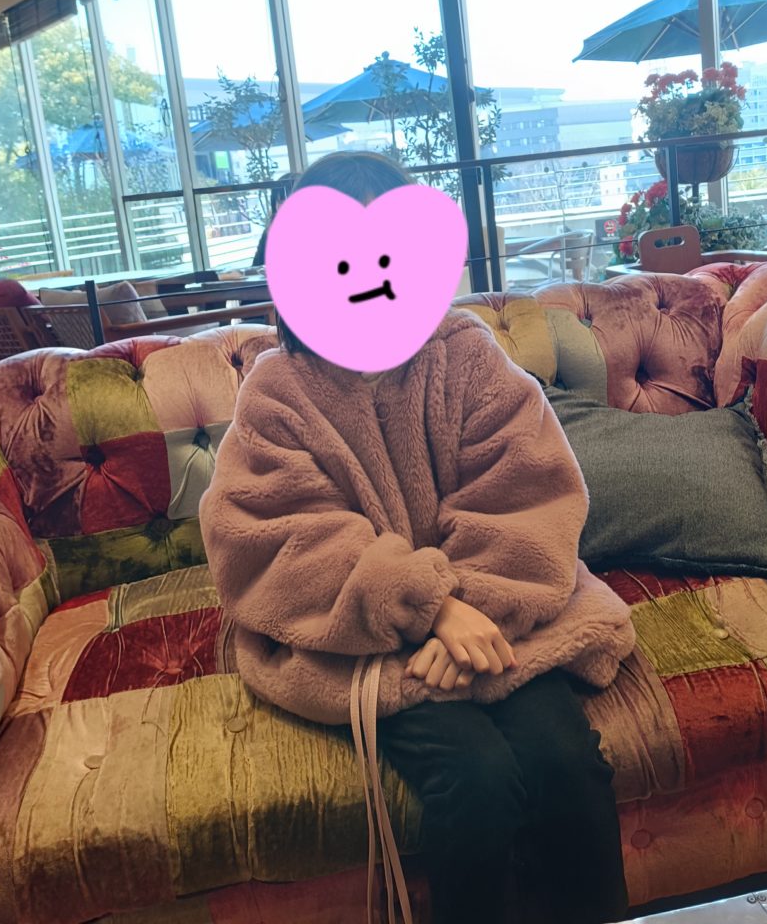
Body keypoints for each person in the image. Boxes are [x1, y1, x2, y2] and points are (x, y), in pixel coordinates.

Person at [201, 150, 635, 924]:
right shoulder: (277, 391)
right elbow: (276, 533)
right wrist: (429, 605)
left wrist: (472, 611)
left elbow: (525, 494)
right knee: (474, 779)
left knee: (567, 763)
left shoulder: (466, 357)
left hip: (491, 614)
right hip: (355, 635)